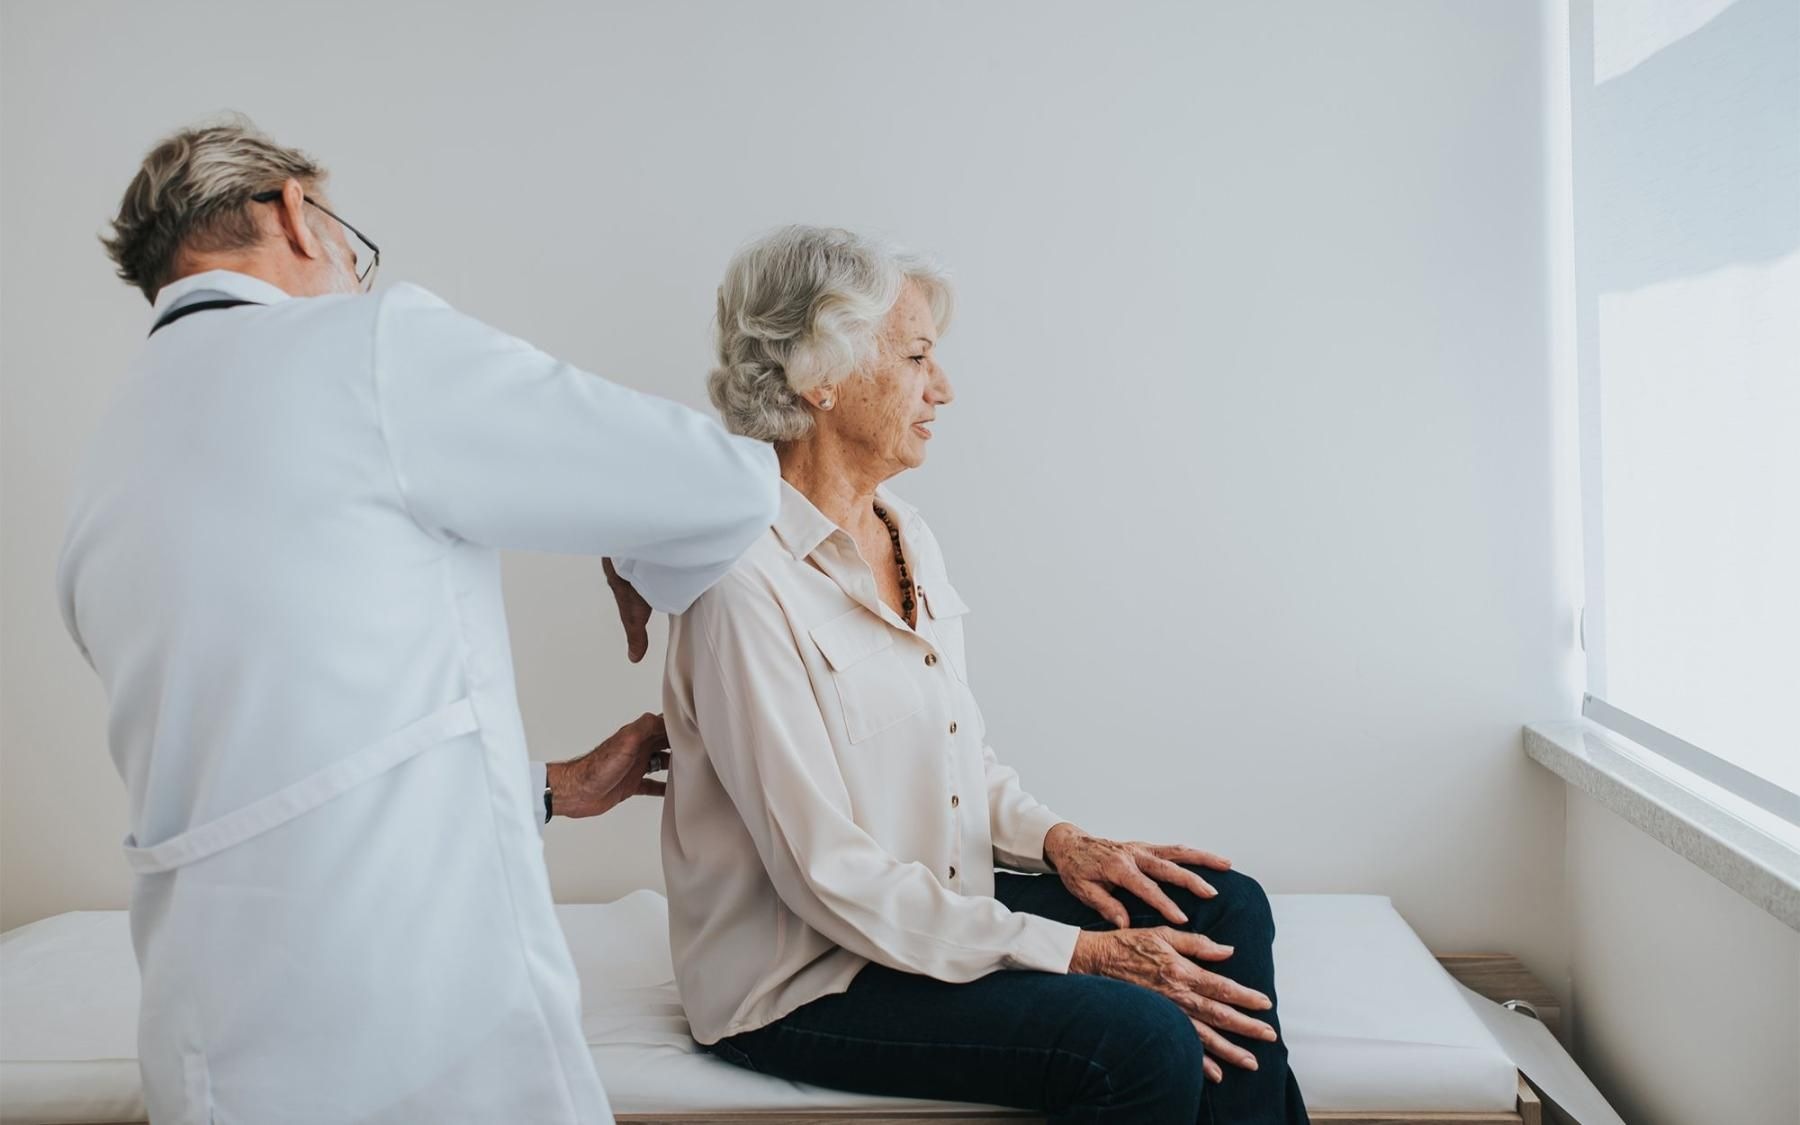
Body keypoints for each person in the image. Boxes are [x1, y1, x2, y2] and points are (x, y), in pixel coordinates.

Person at [55, 117, 777, 1124]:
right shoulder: (366, 344)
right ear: (298, 215)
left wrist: (542, 792)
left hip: (202, 1055)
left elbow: (259, 768)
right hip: (409, 1042)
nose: (356, 268)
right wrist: (634, 550)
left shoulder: (107, 463)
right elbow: (727, 487)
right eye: (353, 241)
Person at [660, 226, 1309, 1123]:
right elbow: (826, 874)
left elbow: (958, 760)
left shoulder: (906, 533)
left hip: (932, 915)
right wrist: (1071, 954)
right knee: (1141, 1040)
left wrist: (1060, 843)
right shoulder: (741, 586)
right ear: (822, 374)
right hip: (809, 977)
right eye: (918, 357)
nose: (944, 388)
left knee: (1224, 909)